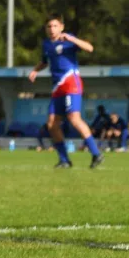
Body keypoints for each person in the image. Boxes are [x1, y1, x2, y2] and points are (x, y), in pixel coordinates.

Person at [28, 14, 104, 168]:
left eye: (55, 26)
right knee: (52, 124)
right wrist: (35, 70)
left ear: (61, 27)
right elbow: (44, 61)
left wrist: (72, 39)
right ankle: (64, 160)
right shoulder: (46, 45)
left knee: (74, 118)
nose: (52, 29)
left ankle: (96, 153)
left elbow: (90, 48)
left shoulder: (68, 41)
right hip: (57, 87)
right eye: (49, 26)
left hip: (71, 82)